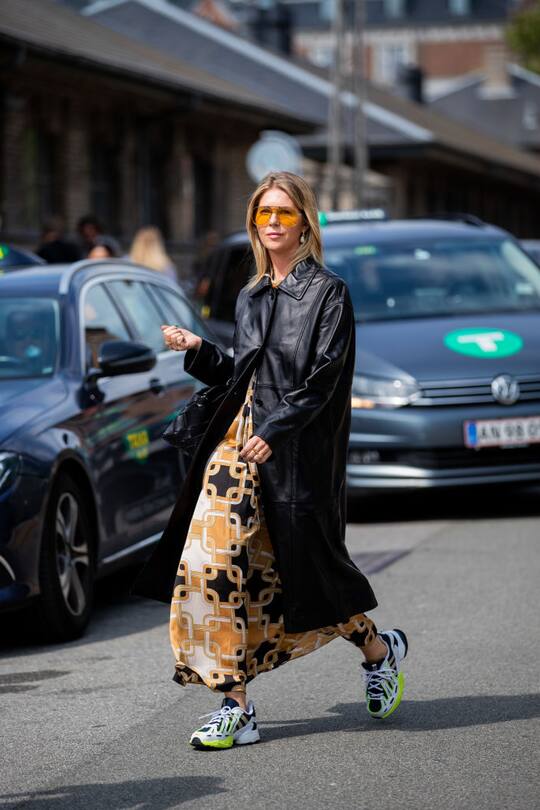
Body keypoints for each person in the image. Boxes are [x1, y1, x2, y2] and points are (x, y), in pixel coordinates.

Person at [133, 171, 408, 750]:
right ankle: (236, 704)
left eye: (285, 213)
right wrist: (201, 350)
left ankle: (378, 651)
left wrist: (277, 431)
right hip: (236, 446)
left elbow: (323, 379)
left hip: (296, 451)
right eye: (264, 214)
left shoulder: (328, 292)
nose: (274, 223)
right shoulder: (251, 293)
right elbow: (247, 372)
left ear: (305, 221)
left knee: (305, 571)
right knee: (213, 564)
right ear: (254, 222)